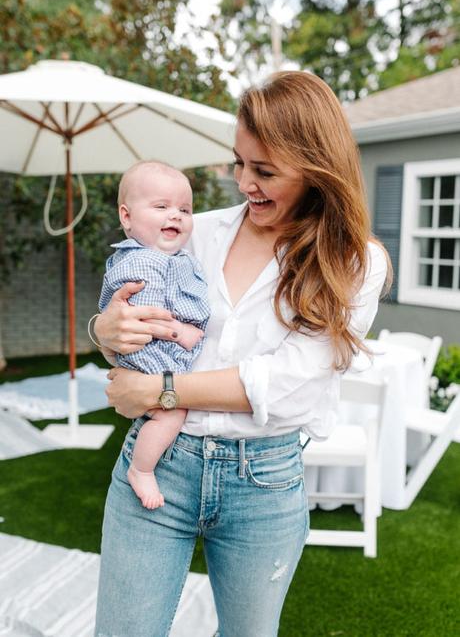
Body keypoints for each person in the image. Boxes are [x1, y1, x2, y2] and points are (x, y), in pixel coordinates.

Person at [93, 71, 390, 637]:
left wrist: (159, 391)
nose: (243, 182)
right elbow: (135, 302)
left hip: (265, 482)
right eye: (239, 163)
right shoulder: (197, 231)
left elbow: (288, 384)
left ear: (315, 167)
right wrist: (105, 328)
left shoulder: (354, 262)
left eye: (265, 170)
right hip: (162, 461)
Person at [98, 161, 210, 509]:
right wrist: (183, 334)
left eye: (184, 209)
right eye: (161, 207)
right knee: (171, 413)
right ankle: (142, 470)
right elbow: (147, 321)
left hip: (154, 355)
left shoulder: (171, 258)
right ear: (127, 217)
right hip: (150, 357)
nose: (175, 215)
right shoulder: (142, 263)